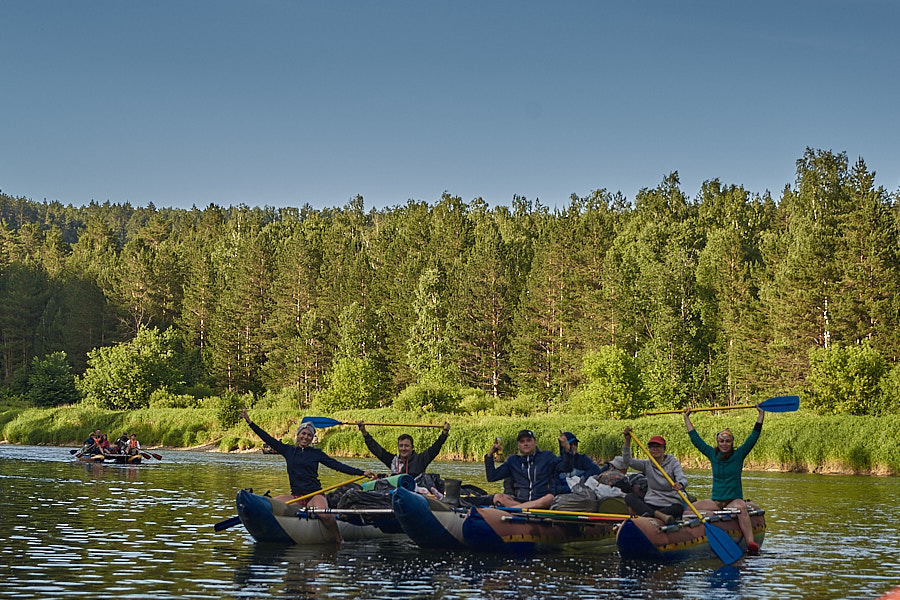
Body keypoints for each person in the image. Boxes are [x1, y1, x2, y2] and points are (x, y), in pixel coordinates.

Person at [243, 409, 374, 543]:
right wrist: (250, 423)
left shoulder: (316, 453)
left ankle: (338, 539)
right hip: (297, 497)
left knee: (323, 514)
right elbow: (268, 439)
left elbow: (338, 466)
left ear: (312, 439)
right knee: (268, 505)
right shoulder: (288, 450)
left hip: (315, 495)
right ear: (298, 435)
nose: (305, 437)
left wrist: (361, 472)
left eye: (309, 435)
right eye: (303, 434)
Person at [684, 404, 765, 555]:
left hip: (733, 500)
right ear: (718, 443)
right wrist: (686, 417)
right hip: (716, 501)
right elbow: (696, 439)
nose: (724, 444)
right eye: (721, 442)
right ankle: (694, 541)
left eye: (727, 442)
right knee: (689, 509)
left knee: (741, 507)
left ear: (732, 443)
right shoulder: (712, 454)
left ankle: (751, 543)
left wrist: (760, 415)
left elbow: (754, 436)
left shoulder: (739, 455)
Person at [485, 429, 571, 509]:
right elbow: (492, 477)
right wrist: (489, 455)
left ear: (535, 442)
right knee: (498, 497)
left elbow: (566, 468)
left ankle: (515, 509)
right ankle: (523, 508)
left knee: (550, 497)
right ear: (518, 445)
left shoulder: (547, 457)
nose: (526, 444)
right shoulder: (513, 461)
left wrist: (566, 450)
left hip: (542, 501)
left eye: (529, 440)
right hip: (520, 500)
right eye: (522, 441)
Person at [621, 427, 688, 525]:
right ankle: (659, 516)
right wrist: (627, 440)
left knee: (678, 509)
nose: (655, 449)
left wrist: (680, 484)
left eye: (658, 446)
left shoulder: (673, 463)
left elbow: (681, 478)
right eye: (652, 447)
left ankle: (649, 516)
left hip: (670, 504)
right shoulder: (647, 464)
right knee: (629, 497)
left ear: (664, 449)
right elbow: (627, 461)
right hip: (651, 504)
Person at [356, 420, 450, 477]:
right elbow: (376, 449)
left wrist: (444, 434)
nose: (403, 449)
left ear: (412, 448)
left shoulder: (421, 459)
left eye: (406, 446)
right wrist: (364, 432)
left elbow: (435, 448)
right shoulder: (393, 460)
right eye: (401, 446)